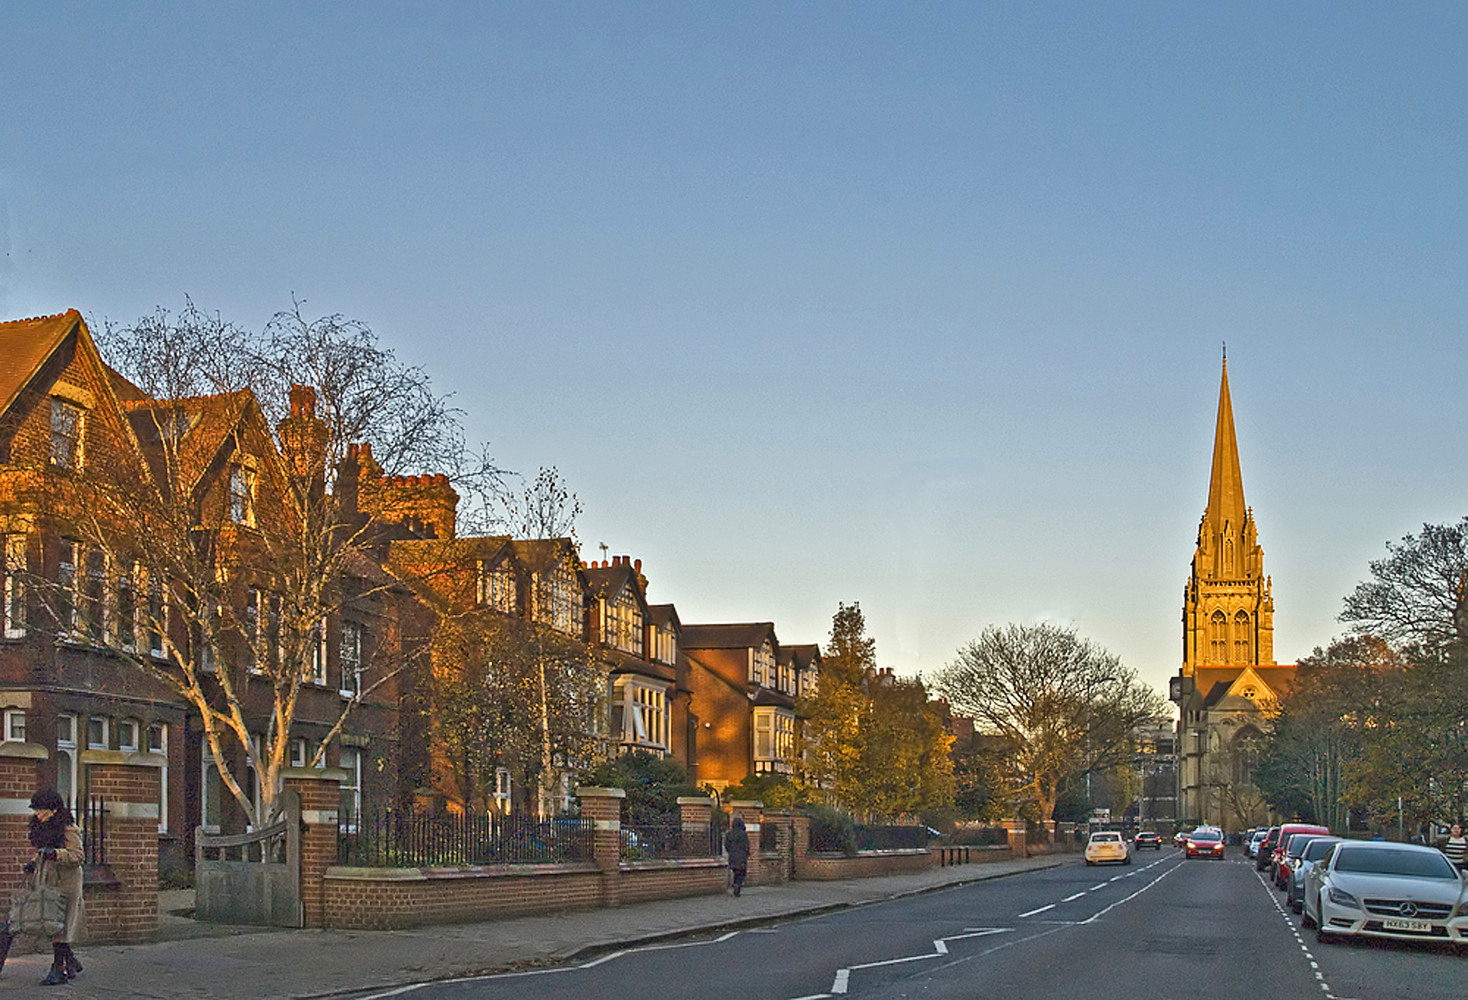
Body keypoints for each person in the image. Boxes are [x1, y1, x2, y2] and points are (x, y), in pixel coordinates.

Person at [0, 790, 84, 985]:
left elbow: (78, 856)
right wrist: (33, 861)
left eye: (42, 810)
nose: (38, 813)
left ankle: (58, 969)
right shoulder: (42, 827)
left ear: (53, 810)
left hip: (66, 883)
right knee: (33, 920)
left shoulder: (69, 829)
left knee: (58, 926)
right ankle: (70, 961)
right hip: (44, 880)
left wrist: (55, 854)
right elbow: (41, 852)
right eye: (36, 810)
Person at [723, 814, 750, 897]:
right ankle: (737, 885)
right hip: (742, 856)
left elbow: (726, 844)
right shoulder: (743, 834)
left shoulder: (729, 834)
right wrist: (747, 853)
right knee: (742, 872)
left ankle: (735, 885)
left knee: (735, 872)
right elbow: (746, 845)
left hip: (732, 855)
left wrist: (730, 851)